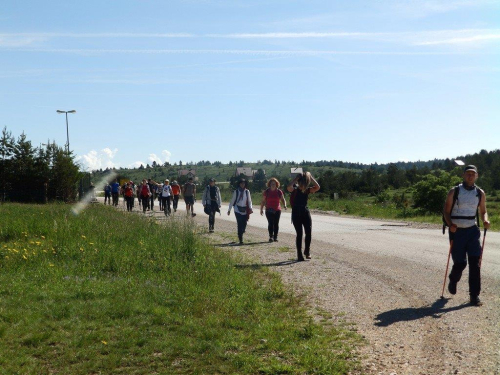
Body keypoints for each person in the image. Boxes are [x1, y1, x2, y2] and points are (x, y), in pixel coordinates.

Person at [443, 165, 490, 306]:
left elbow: (483, 211)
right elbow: (446, 211)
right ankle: (453, 278)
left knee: (475, 264)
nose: (470, 176)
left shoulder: (480, 193)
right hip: (457, 232)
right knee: (460, 263)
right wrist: (450, 224)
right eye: (468, 173)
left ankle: (474, 296)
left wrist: (485, 220)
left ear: (477, 176)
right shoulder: (455, 191)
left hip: (472, 231)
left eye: (473, 174)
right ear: (463, 175)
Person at [287, 172, 320, 261]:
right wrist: (296, 178)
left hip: (305, 212)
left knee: (308, 232)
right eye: (302, 183)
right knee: (299, 234)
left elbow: (317, 187)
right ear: (299, 183)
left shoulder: (307, 190)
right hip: (296, 213)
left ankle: (307, 251)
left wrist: (310, 177)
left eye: (305, 183)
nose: (303, 185)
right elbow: (288, 187)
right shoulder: (294, 189)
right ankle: (299, 254)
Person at [260, 177, 287, 242]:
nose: (273, 185)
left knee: (276, 223)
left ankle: (275, 237)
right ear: (269, 184)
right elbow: (263, 201)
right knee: (270, 223)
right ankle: (271, 236)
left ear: (276, 184)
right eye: (272, 184)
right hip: (269, 209)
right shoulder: (267, 192)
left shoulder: (279, 192)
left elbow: (283, 199)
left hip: (277, 210)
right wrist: (261, 209)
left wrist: (285, 205)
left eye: (274, 184)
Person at [228, 179, 253, 244]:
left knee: (244, 223)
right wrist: (229, 209)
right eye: (241, 183)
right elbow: (232, 201)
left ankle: (242, 231)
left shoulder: (247, 192)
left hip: (244, 210)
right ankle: (240, 239)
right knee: (239, 223)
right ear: (239, 184)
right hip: (237, 209)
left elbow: (249, 201)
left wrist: (250, 208)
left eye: (244, 183)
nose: (242, 184)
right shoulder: (236, 192)